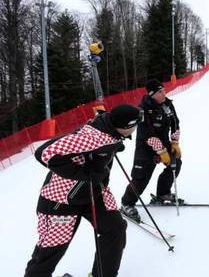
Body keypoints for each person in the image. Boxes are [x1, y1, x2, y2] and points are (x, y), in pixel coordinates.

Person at [24, 104, 143, 277]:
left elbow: (104, 128)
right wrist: (83, 174)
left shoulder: (109, 128)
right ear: (125, 127)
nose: (136, 128)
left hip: (93, 193)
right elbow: (44, 153)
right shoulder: (94, 138)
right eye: (135, 125)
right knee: (52, 249)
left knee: (115, 228)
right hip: (62, 199)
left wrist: (113, 146)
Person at [120, 79, 182, 222]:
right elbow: (146, 133)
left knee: (175, 164)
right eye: (160, 92)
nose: (164, 94)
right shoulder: (143, 109)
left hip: (164, 141)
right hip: (146, 146)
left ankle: (163, 193)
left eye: (164, 90)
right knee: (141, 177)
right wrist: (160, 151)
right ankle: (127, 203)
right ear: (152, 94)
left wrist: (174, 142)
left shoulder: (167, 104)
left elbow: (175, 123)